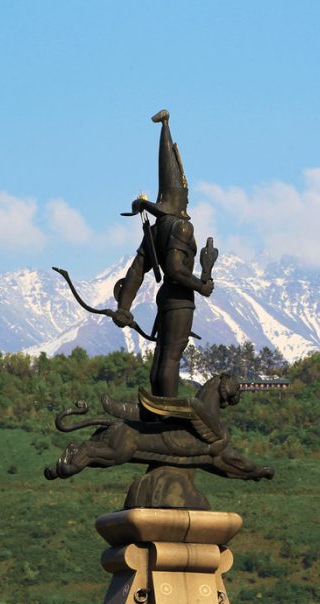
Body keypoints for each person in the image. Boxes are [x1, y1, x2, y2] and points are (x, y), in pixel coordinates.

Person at [111, 109, 213, 398]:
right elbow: (175, 268)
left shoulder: (155, 230)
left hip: (165, 299)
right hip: (179, 301)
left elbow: (136, 270)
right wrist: (201, 285)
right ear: (180, 197)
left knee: (161, 357)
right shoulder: (182, 227)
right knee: (170, 357)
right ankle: (166, 412)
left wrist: (124, 306)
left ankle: (157, 406)